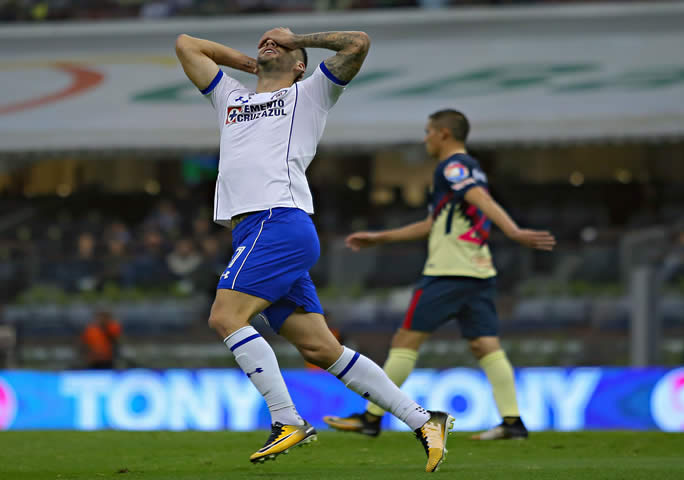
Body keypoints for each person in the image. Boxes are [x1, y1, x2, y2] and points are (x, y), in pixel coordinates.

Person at [175, 27, 452, 471]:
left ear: (300, 63)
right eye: (263, 41)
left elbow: (358, 42)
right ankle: (423, 419)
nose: (269, 44)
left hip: (278, 222)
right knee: (322, 350)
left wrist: (295, 36)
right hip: (254, 232)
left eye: (281, 46)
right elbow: (187, 44)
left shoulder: (310, 94)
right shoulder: (231, 97)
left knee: (225, 317)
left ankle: (287, 420)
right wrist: (250, 61)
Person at [323, 110, 556, 440]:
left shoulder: (454, 167)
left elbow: (479, 197)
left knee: (405, 341)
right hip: (478, 271)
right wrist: (381, 237)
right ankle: (512, 422)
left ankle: (371, 418)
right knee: (485, 344)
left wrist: (513, 230)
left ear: (444, 133)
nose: (425, 138)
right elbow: (432, 225)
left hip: (448, 272)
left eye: (429, 132)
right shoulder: (468, 170)